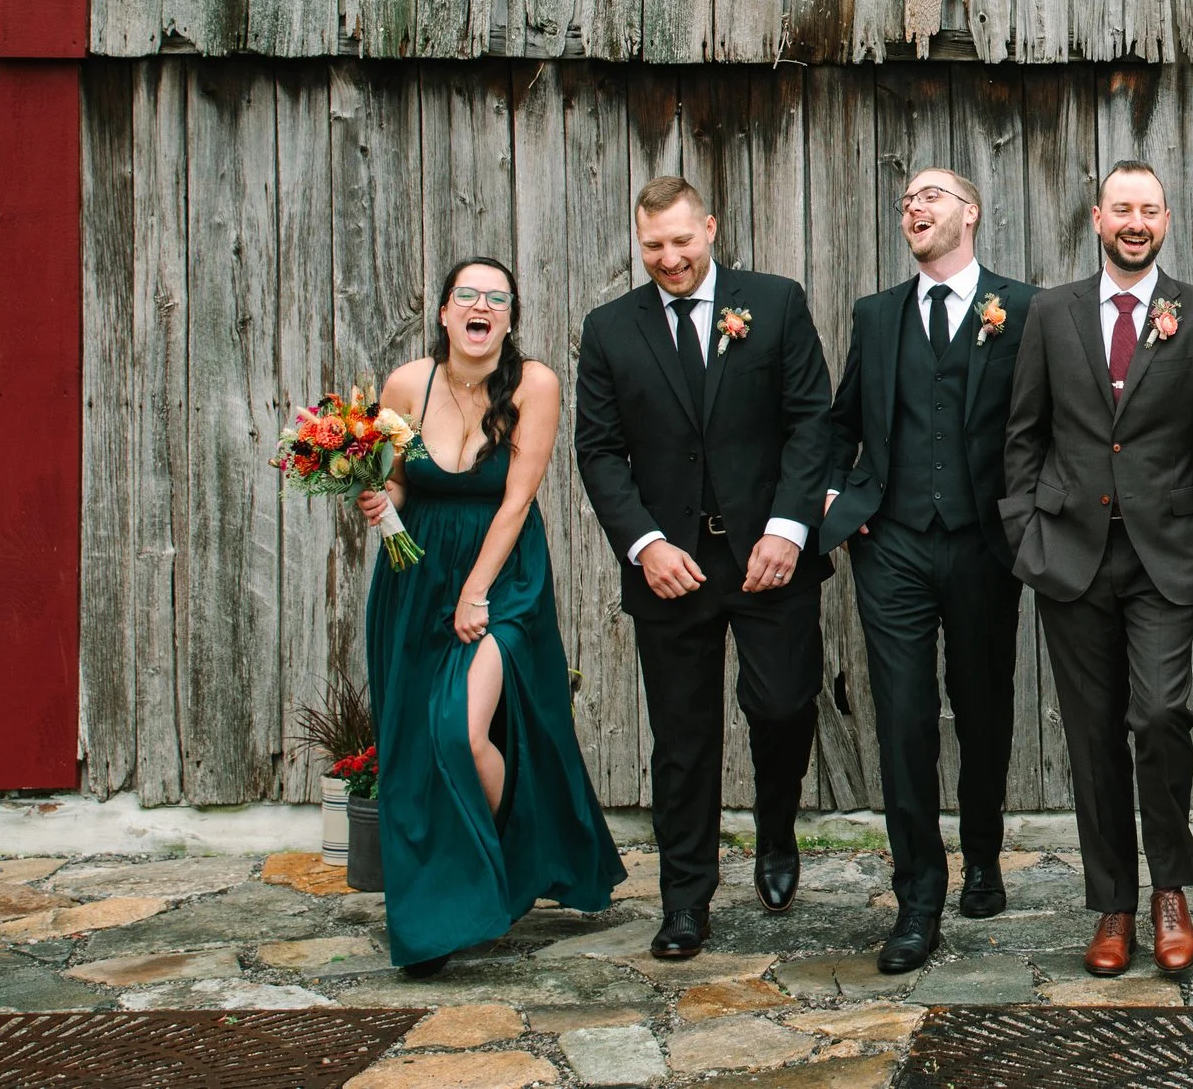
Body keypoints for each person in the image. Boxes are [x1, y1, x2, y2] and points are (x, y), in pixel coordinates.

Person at [1001, 160, 1193, 977]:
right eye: (1121, 207)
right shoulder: (1051, 312)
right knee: (1091, 739)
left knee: (1159, 717)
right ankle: (1113, 904)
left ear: (1165, 220)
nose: (1135, 221)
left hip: (1161, 552)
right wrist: (1024, 531)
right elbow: (1025, 430)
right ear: (1096, 217)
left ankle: (1169, 888)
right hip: (1070, 555)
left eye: (1149, 209)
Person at [574, 177, 837, 960]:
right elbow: (598, 451)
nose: (670, 258)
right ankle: (685, 899)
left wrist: (790, 529)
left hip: (768, 556)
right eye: (653, 246)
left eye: (682, 241)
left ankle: (777, 827)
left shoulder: (776, 302)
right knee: (681, 738)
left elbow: (810, 422)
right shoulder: (610, 328)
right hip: (672, 565)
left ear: (710, 228)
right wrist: (646, 544)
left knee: (785, 705)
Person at [358, 259, 624, 974]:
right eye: (466, 296)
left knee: (460, 729)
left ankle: (500, 861)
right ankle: (435, 914)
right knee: (414, 749)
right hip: (413, 580)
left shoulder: (534, 384)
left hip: (503, 579)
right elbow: (397, 481)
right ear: (444, 312)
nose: (481, 307)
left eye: (496, 299)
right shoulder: (405, 384)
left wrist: (477, 591)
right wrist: (380, 504)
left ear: (509, 318)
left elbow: (516, 499)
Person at [820, 168, 1039, 974]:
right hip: (894, 545)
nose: (914, 205)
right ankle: (918, 896)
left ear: (970, 211)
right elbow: (840, 422)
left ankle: (982, 851)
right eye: (906, 198)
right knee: (903, 715)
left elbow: (1045, 418)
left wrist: (1030, 517)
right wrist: (839, 504)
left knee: (984, 707)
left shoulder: (1022, 307)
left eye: (931, 194)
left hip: (985, 541)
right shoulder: (876, 316)